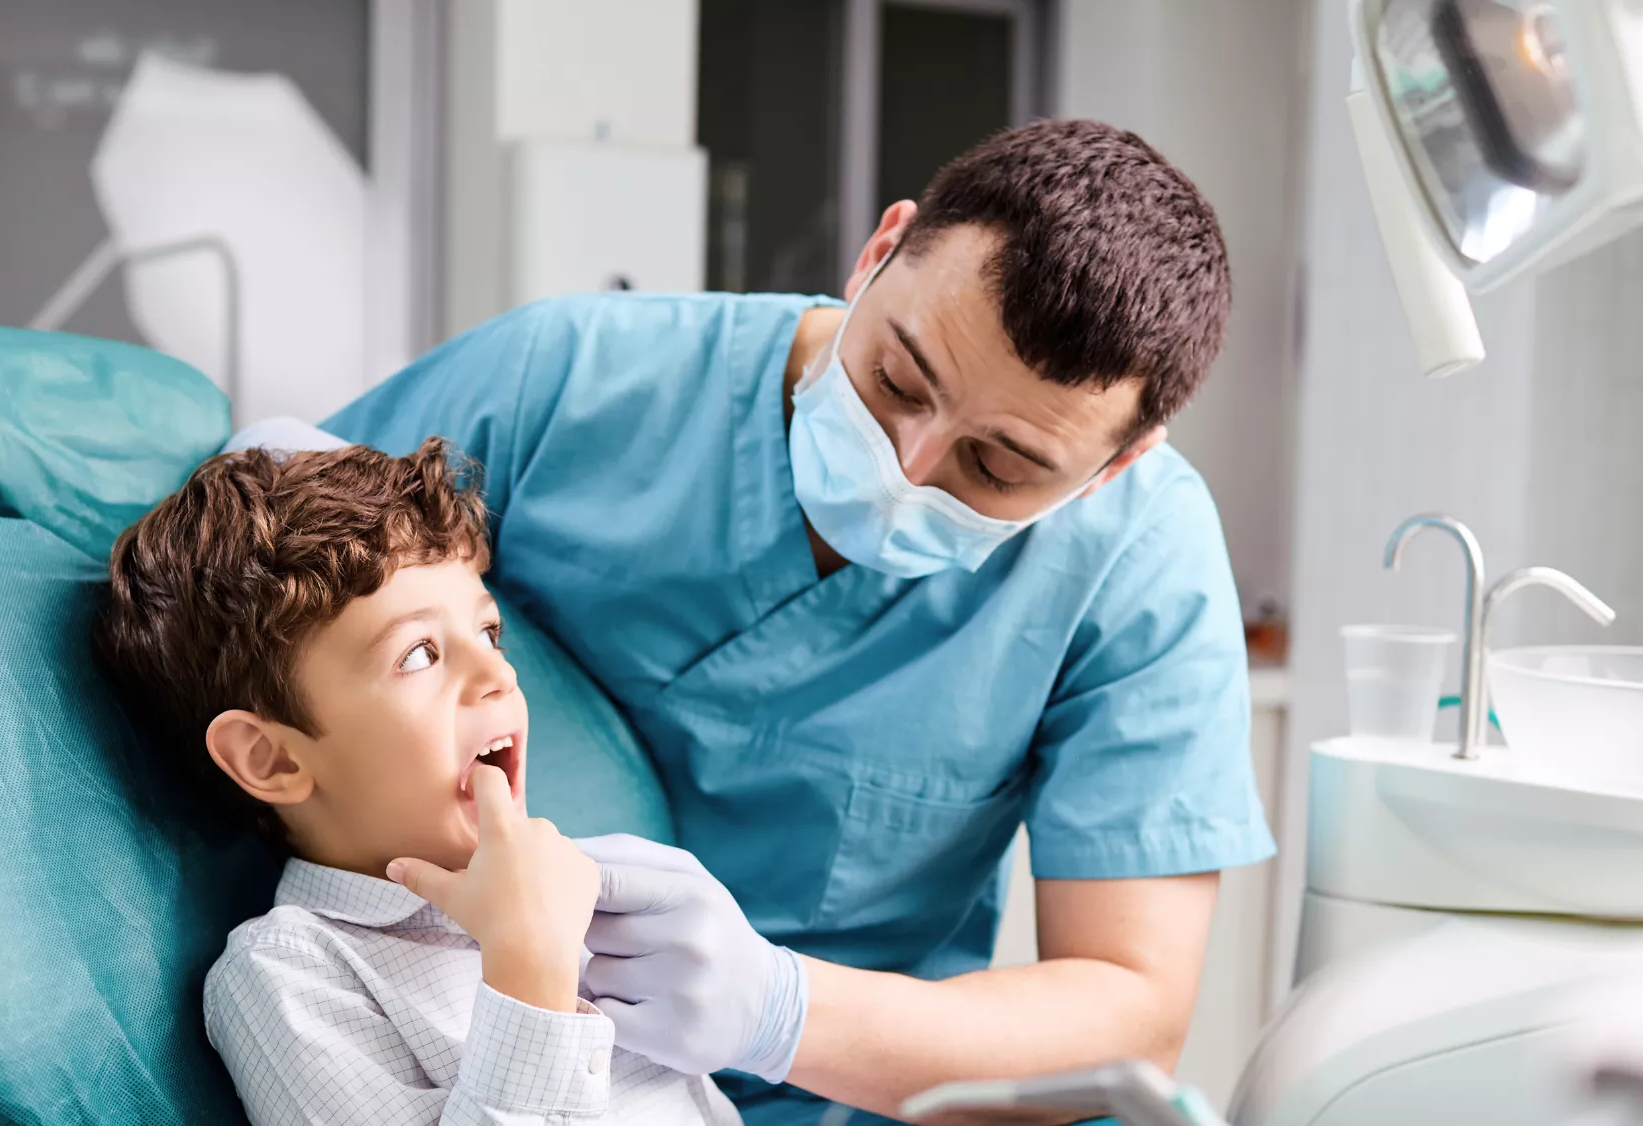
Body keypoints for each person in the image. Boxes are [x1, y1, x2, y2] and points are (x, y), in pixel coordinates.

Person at [328, 119, 1277, 1124]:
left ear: (1113, 466)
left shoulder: (1137, 558)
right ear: (876, 254)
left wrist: (776, 1009)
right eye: (896, 379)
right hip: (472, 1052)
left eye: (994, 466)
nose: (904, 465)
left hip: (829, 1096)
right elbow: (267, 581)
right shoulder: (567, 379)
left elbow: (1127, 1006)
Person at [95, 442, 741, 1125]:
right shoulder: (288, 975)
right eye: (420, 654)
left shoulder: (576, 893)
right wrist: (528, 975)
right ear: (272, 760)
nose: (498, 674)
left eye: (489, 632)